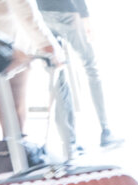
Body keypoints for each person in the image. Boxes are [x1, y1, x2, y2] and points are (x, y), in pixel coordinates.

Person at [36, 0, 120, 149]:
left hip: (43, 13)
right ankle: (105, 129)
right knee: (91, 67)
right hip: (67, 10)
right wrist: (84, 14)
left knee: (57, 74)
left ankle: (69, 142)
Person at [0, 0, 62, 134]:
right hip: (7, 46)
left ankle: (9, 148)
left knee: (0, 105)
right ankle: (13, 149)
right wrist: (46, 43)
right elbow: (23, 7)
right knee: (11, 107)